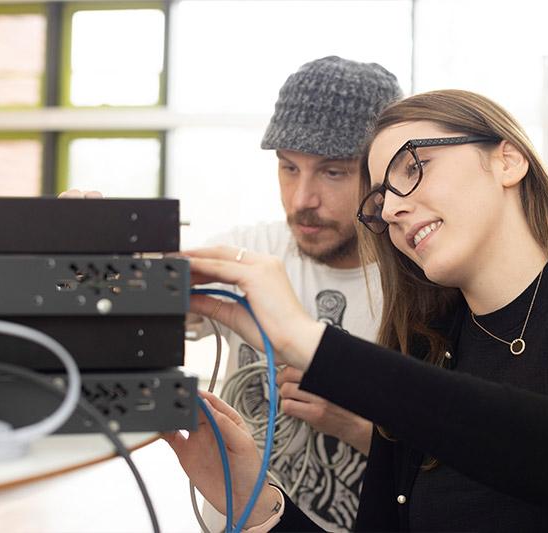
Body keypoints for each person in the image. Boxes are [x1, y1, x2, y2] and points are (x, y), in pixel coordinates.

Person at [167, 89, 548, 532]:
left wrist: (306, 339)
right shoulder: (426, 356)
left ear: (508, 159)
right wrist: (253, 500)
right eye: (378, 202)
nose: (393, 208)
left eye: (412, 167)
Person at [186, 56, 403, 532]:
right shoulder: (251, 253)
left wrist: (354, 423)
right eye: (288, 167)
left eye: (333, 173)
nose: (302, 198)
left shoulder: (417, 293)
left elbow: (455, 468)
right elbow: (132, 304)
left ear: (384, 174)